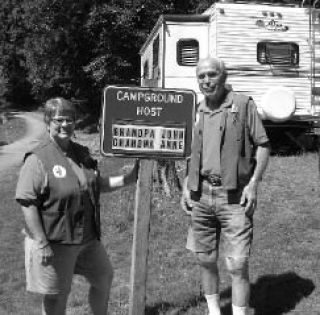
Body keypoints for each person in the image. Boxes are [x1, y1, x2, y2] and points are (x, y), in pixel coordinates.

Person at [15, 97, 138, 315]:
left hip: (87, 238)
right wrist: (42, 242)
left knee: (103, 277)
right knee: (57, 296)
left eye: (70, 120)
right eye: (59, 120)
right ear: (48, 121)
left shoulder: (81, 153)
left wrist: (128, 178)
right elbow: (27, 202)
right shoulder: (38, 158)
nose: (65, 125)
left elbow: (97, 184)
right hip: (55, 241)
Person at [181, 57, 270, 315]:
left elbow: (263, 144)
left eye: (212, 75)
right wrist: (187, 183)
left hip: (234, 197)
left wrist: (253, 184)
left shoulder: (243, 105)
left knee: (237, 264)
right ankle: (214, 311)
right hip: (200, 195)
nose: (207, 81)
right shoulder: (197, 110)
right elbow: (192, 152)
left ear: (224, 76)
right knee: (205, 259)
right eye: (201, 76)